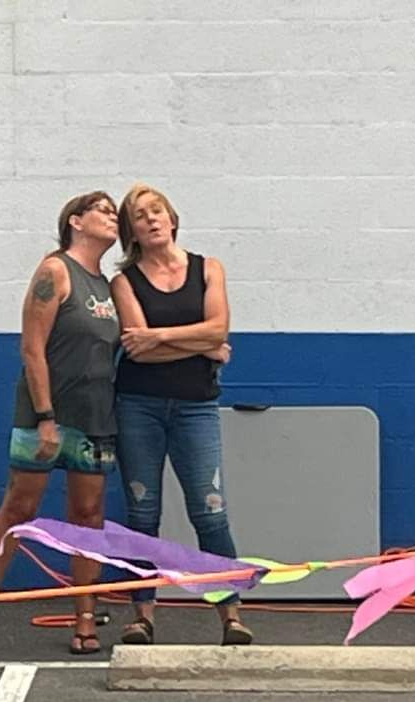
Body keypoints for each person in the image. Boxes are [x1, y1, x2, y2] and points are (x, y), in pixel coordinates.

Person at [0, 191, 121, 655]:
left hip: (95, 418)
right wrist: (46, 417)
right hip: (45, 416)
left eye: (115, 213)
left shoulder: (109, 286)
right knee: (18, 510)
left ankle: (84, 616)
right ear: (75, 221)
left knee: (88, 516)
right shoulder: (55, 271)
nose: (112, 217)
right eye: (103, 210)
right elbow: (32, 347)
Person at [109, 183, 253, 646]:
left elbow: (219, 329)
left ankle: (231, 615)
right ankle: (142, 616)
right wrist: (203, 345)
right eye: (139, 216)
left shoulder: (208, 268)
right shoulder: (123, 281)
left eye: (157, 211)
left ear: (172, 219)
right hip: (138, 406)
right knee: (142, 513)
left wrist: (160, 336)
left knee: (210, 512)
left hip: (196, 407)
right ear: (131, 231)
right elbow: (137, 350)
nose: (150, 219)